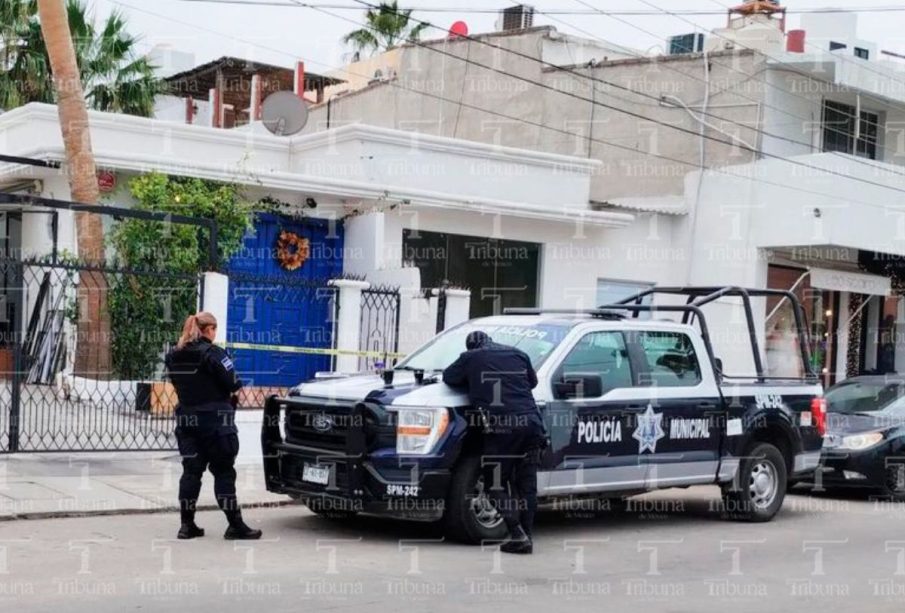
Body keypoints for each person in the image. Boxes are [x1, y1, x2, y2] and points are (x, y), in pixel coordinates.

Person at [443, 330, 546, 554]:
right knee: (526, 485)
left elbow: (449, 377)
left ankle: (517, 533)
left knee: (494, 482)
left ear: (471, 346)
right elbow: (533, 382)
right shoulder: (518, 353)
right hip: (532, 425)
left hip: (504, 428)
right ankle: (526, 536)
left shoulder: (470, 358)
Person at [165, 311, 262, 541]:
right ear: (209, 329)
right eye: (214, 329)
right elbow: (233, 383)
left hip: (188, 421)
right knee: (224, 472)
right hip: (216, 423)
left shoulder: (174, 355)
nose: (215, 333)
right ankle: (235, 525)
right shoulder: (214, 353)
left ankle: (186, 526)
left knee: (191, 472)